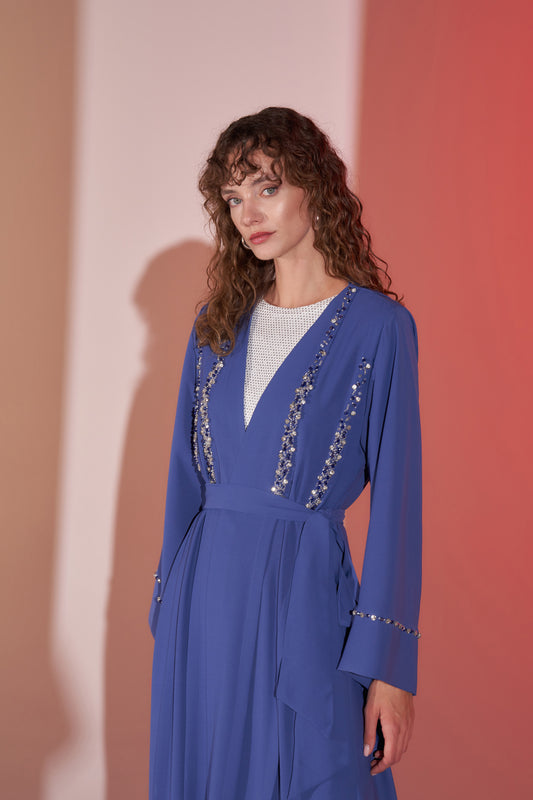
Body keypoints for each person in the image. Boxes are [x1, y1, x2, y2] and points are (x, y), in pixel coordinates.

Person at [149, 107, 422, 800]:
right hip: (203, 604)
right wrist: (169, 604)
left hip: (305, 599)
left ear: (314, 187)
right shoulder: (214, 328)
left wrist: (389, 669)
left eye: (266, 188)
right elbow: (185, 480)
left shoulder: (380, 327)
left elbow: (398, 503)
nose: (248, 214)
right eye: (233, 198)